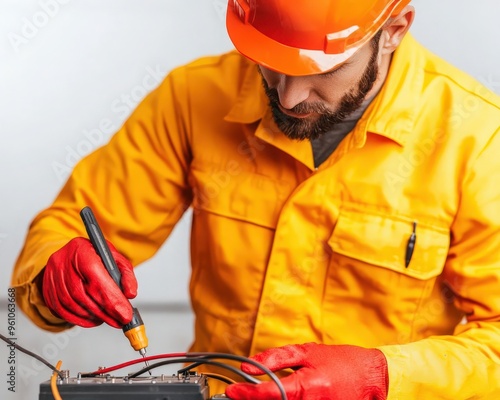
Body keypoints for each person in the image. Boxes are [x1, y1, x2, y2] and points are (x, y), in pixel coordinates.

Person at [11, 0, 500, 399]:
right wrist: (56, 272)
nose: (288, 97)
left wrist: (382, 375)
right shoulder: (193, 97)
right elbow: (64, 230)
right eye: (271, 61)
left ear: (394, 30)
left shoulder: (477, 140)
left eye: (321, 69)